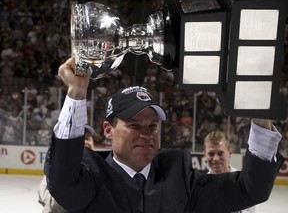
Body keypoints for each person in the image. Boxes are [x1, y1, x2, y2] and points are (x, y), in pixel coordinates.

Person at [44, 57, 284, 213]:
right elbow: (61, 178)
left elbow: (251, 189)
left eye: (152, 126)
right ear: (108, 130)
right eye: (135, 125)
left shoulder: (180, 179)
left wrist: (259, 113)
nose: (146, 134)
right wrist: (76, 92)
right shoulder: (90, 178)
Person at [39, 125, 96, 213]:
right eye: (79, 139)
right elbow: (52, 204)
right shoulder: (57, 169)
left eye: (87, 138)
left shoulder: (100, 169)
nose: (84, 142)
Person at [203, 131, 257, 213]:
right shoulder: (201, 186)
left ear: (230, 153)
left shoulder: (243, 182)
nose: (216, 159)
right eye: (211, 154)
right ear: (205, 155)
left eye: (220, 153)